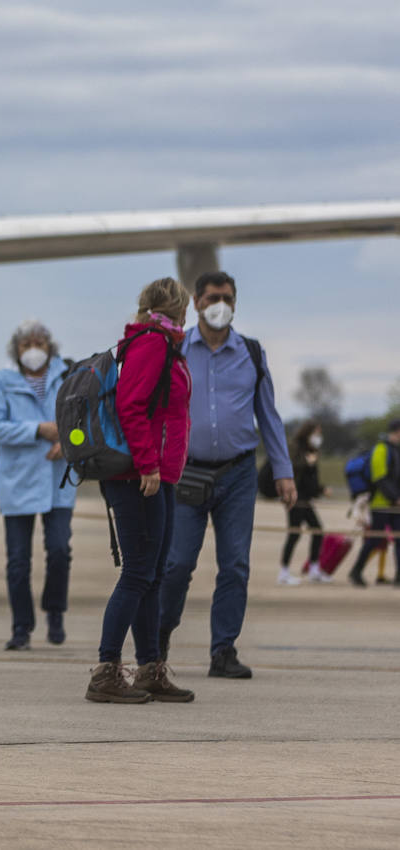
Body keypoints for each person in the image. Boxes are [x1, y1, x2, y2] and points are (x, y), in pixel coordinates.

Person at [158, 271, 296, 680]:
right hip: (185, 472)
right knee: (178, 564)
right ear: (197, 302)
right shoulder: (175, 350)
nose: (222, 304)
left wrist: (283, 471)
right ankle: (158, 640)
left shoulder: (250, 352)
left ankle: (223, 651)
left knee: (234, 564)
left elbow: (268, 414)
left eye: (229, 298)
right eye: (214, 297)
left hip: (238, 473)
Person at [86, 278, 195, 704]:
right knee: (137, 573)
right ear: (176, 308)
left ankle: (151, 669)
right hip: (139, 477)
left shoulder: (161, 344)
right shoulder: (152, 343)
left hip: (159, 477)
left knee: (152, 576)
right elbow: (131, 405)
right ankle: (106, 671)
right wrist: (148, 462)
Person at [0, 320, 75, 650]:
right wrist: (37, 430)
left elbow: (85, 420)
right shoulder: (3, 381)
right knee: (19, 561)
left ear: (51, 346)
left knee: (60, 550)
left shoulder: (68, 375)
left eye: (39, 342)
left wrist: (68, 441)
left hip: (58, 479)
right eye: (26, 345)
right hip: (18, 481)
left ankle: (55, 611)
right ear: (16, 350)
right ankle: (21, 627)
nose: (33, 349)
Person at [346, 420, 400, 587]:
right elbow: (379, 478)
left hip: (395, 505)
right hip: (380, 504)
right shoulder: (381, 449)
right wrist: (395, 498)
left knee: (399, 539)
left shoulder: (396, 450)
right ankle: (356, 571)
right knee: (375, 540)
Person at [281, 421, 329, 584]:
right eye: (316, 432)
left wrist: (320, 489)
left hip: (306, 497)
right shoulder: (295, 447)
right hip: (294, 496)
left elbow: (311, 478)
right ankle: (284, 572)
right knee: (294, 533)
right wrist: (306, 462)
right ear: (308, 432)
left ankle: (314, 569)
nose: (318, 436)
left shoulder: (312, 450)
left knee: (317, 530)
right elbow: (289, 467)